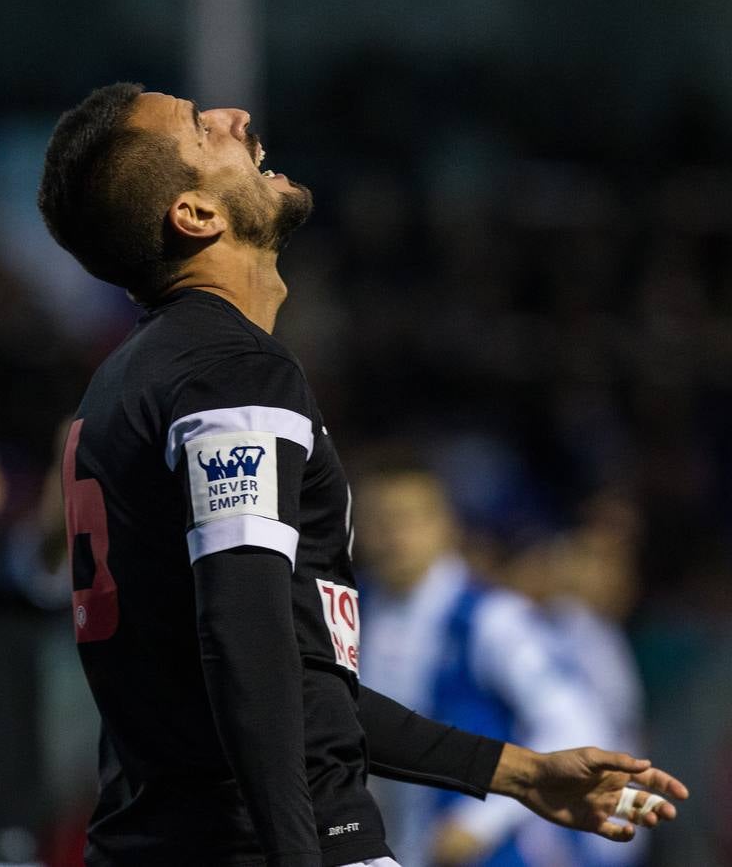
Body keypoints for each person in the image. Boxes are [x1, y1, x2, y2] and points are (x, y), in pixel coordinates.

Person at [37, 82, 687, 867]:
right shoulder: (231, 373)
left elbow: (291, 678)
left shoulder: (122, 386)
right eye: (201, 130)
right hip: (262, 844)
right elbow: (246, 643)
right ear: (196, 216)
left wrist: (516, 774)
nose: (236, 118)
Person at [357, 462, 645, 867]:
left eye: (408, 518)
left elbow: (577, 724)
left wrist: (480, 821)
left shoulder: (490, 619)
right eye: (378, 520)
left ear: (446, 525)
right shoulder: (351, 613)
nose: (394, 535)